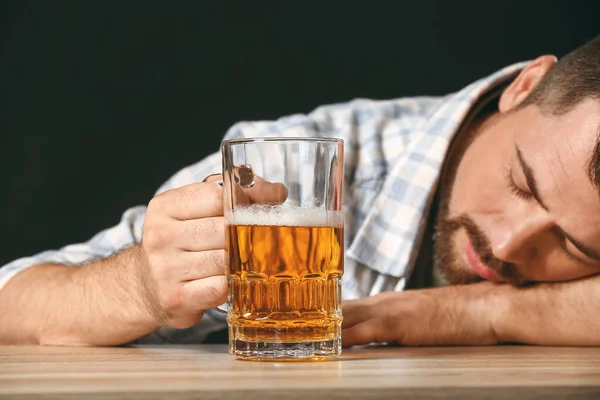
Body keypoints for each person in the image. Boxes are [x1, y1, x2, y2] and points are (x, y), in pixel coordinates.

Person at [1, 35, 599, 347]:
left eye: (576, 247)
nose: (509, 243)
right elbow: (10, 305)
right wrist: (141, 285)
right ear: (524, 86)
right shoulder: (303, 165)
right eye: (521, 182)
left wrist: (485, 312)